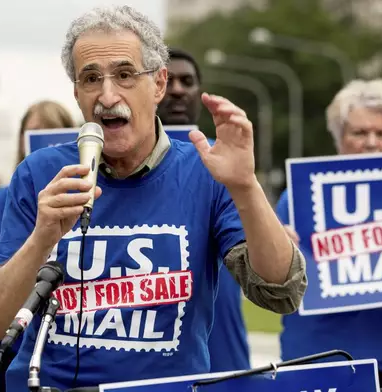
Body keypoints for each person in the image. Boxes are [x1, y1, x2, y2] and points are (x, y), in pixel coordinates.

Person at [0, 5, 307, 391]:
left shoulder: (208, 169)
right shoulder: (39, 173)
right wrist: (41, 238)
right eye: (91, 78)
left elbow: (282, 292)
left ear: (159, 84)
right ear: (77, 93)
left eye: (125, 74)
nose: (107, 94)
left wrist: (246, 185)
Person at [275, 79, 382, 389]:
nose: (371, 143)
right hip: (313, 367)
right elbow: (266, 284)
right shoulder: (298, 198)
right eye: (359, 132)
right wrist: (275, 249)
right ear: (338, 138)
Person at [0, 100, 75, 392]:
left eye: (54, 132)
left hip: (61, 347)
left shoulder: (89, 198)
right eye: (35, 133)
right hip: (14, 343)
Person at [156, 47, 250, 373]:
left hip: (223, 350)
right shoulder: (109, 169)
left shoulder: (228, 164)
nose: (178, 89)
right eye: (168, 81)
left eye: (188, 81)